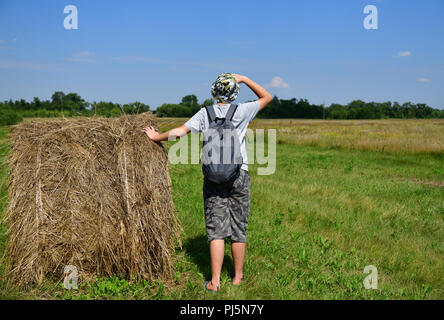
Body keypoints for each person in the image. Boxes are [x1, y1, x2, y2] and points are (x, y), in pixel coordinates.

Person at [143, 73, 272, 292]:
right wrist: (245, 78)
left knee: (216, 230)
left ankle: (215, 281)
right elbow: (266, 97)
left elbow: (179, 133)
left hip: (213, 177)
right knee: (238, 227)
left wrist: (157, 137)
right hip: (239, 174)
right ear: (235, 93)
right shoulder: (242, 111)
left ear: (214, 91)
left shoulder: (205, 113)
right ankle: (238, 277)